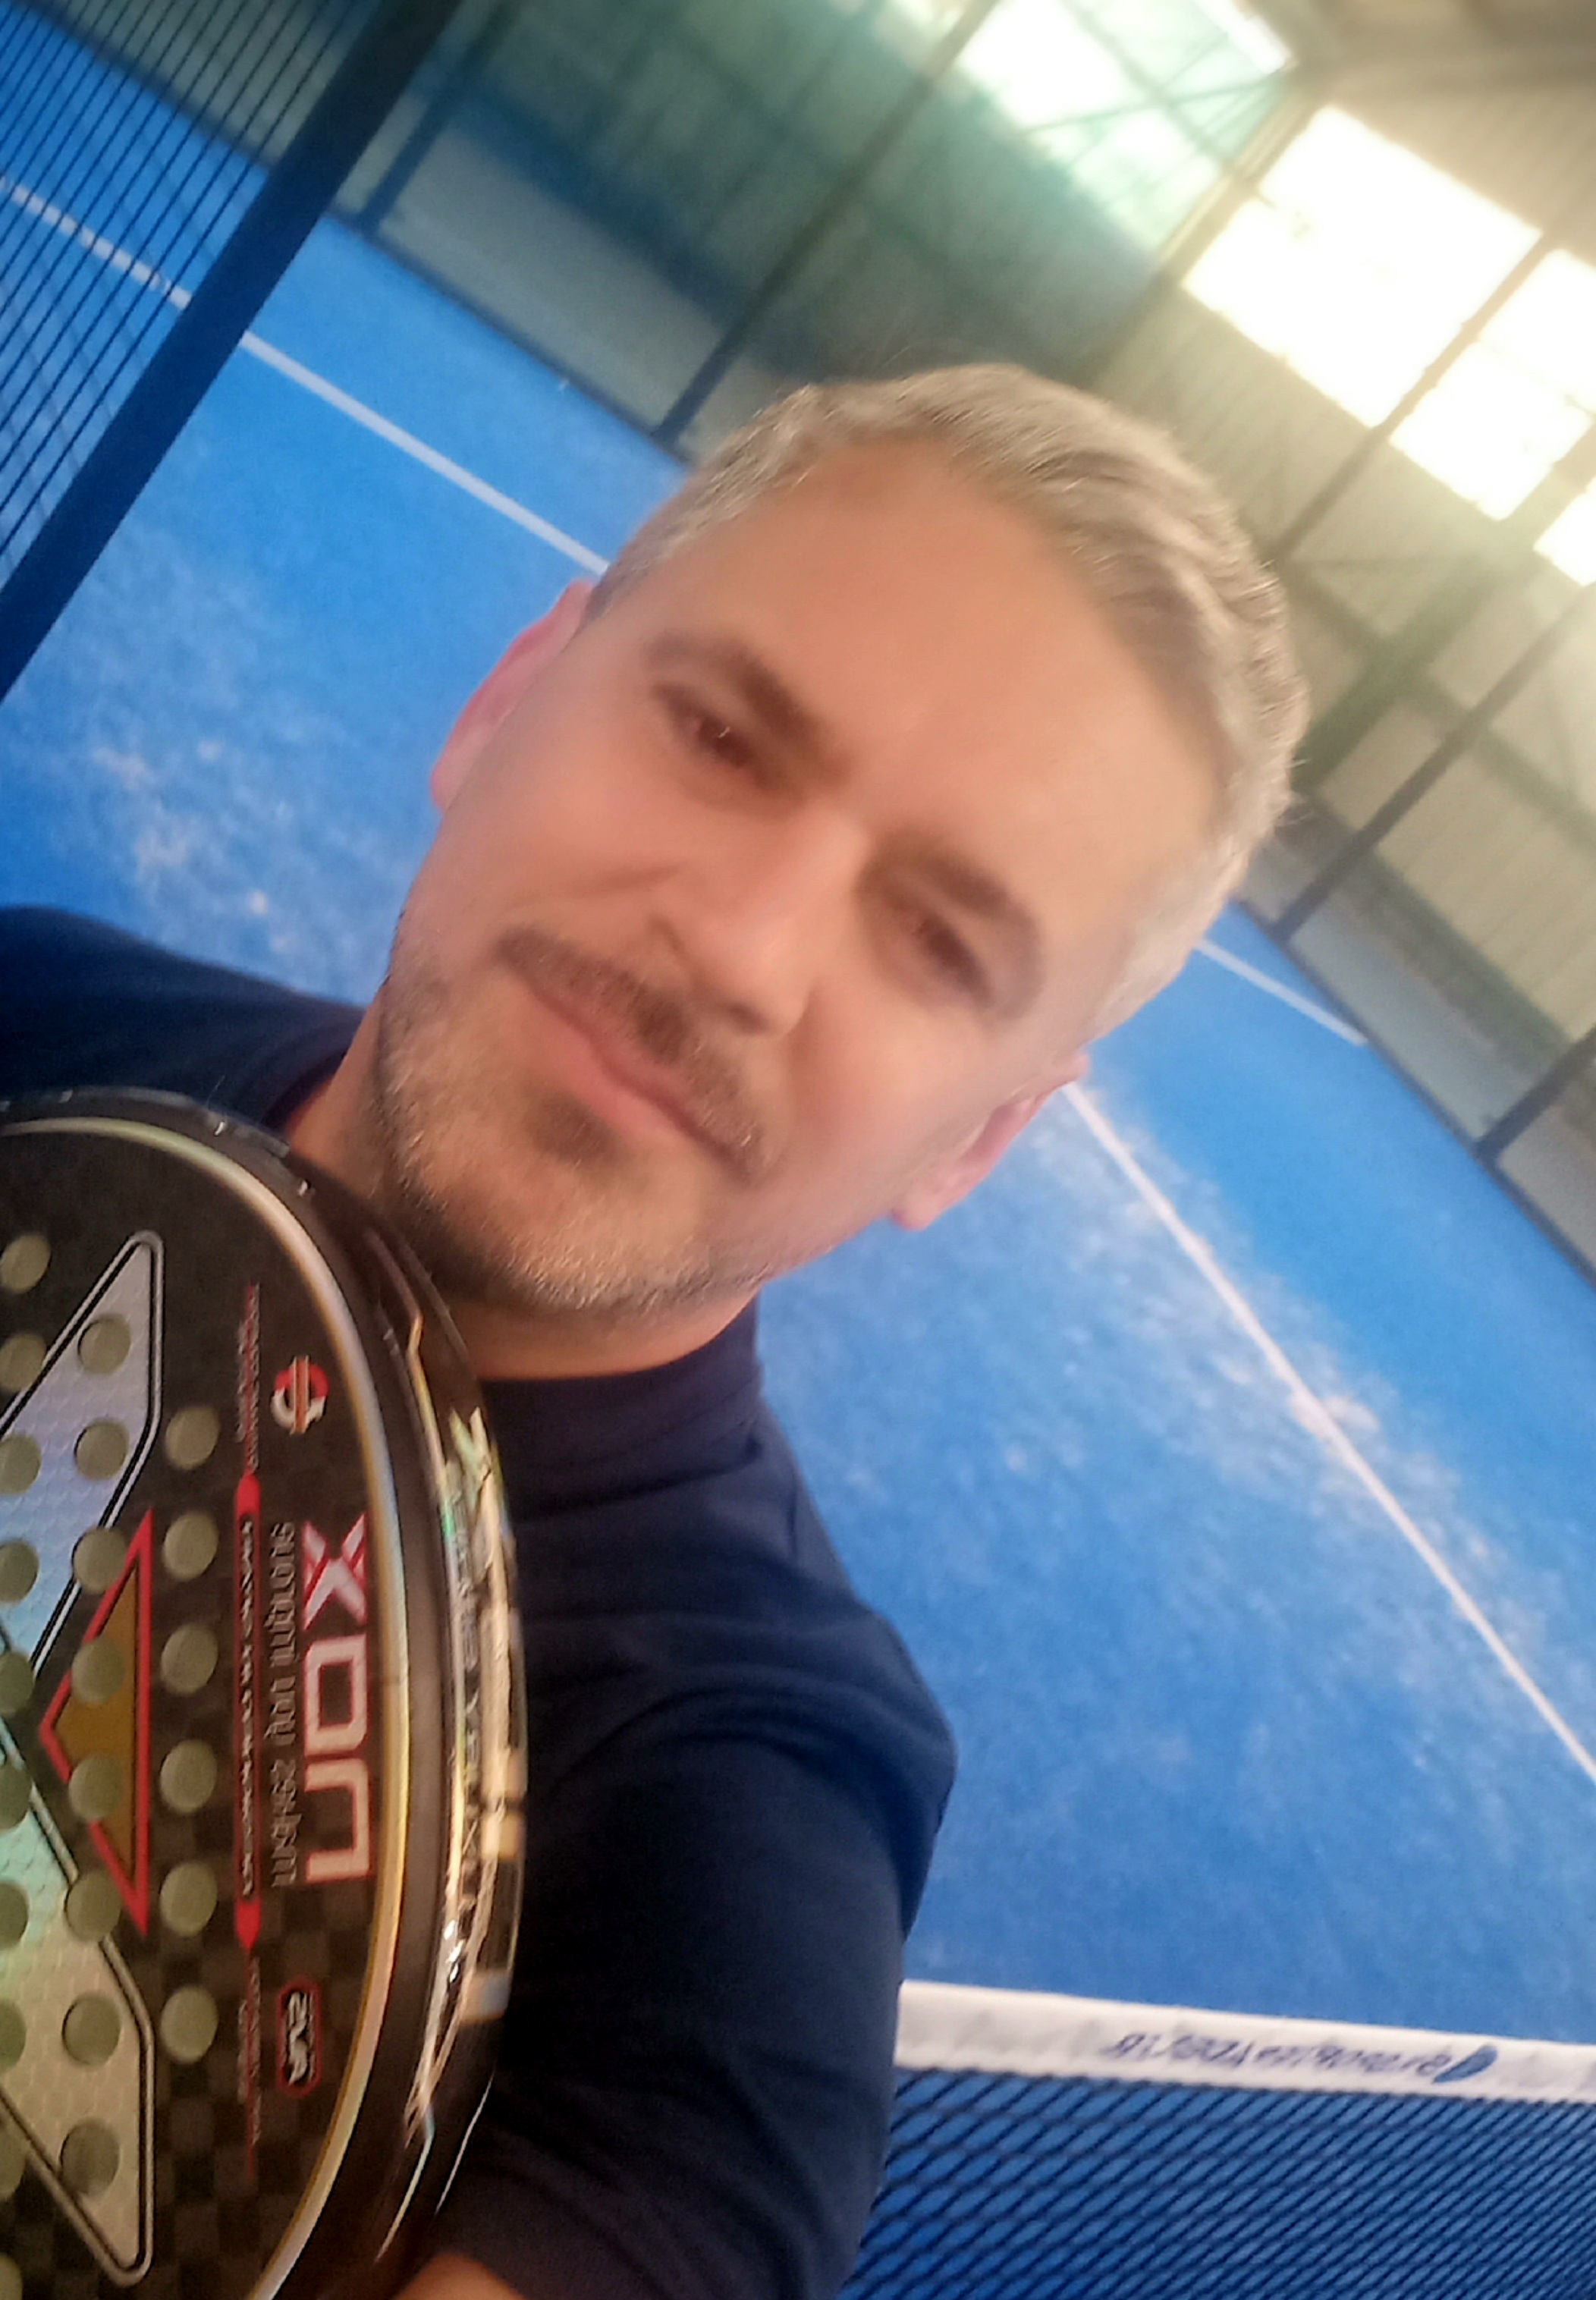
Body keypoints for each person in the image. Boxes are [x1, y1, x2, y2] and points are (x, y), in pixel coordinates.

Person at [0, 364, 1305, 2300]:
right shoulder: (44, 1007)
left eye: (938, 942)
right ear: (507, 697)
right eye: (717, 735)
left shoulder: (734, 1823)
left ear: (973, 1139)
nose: (745, 947)